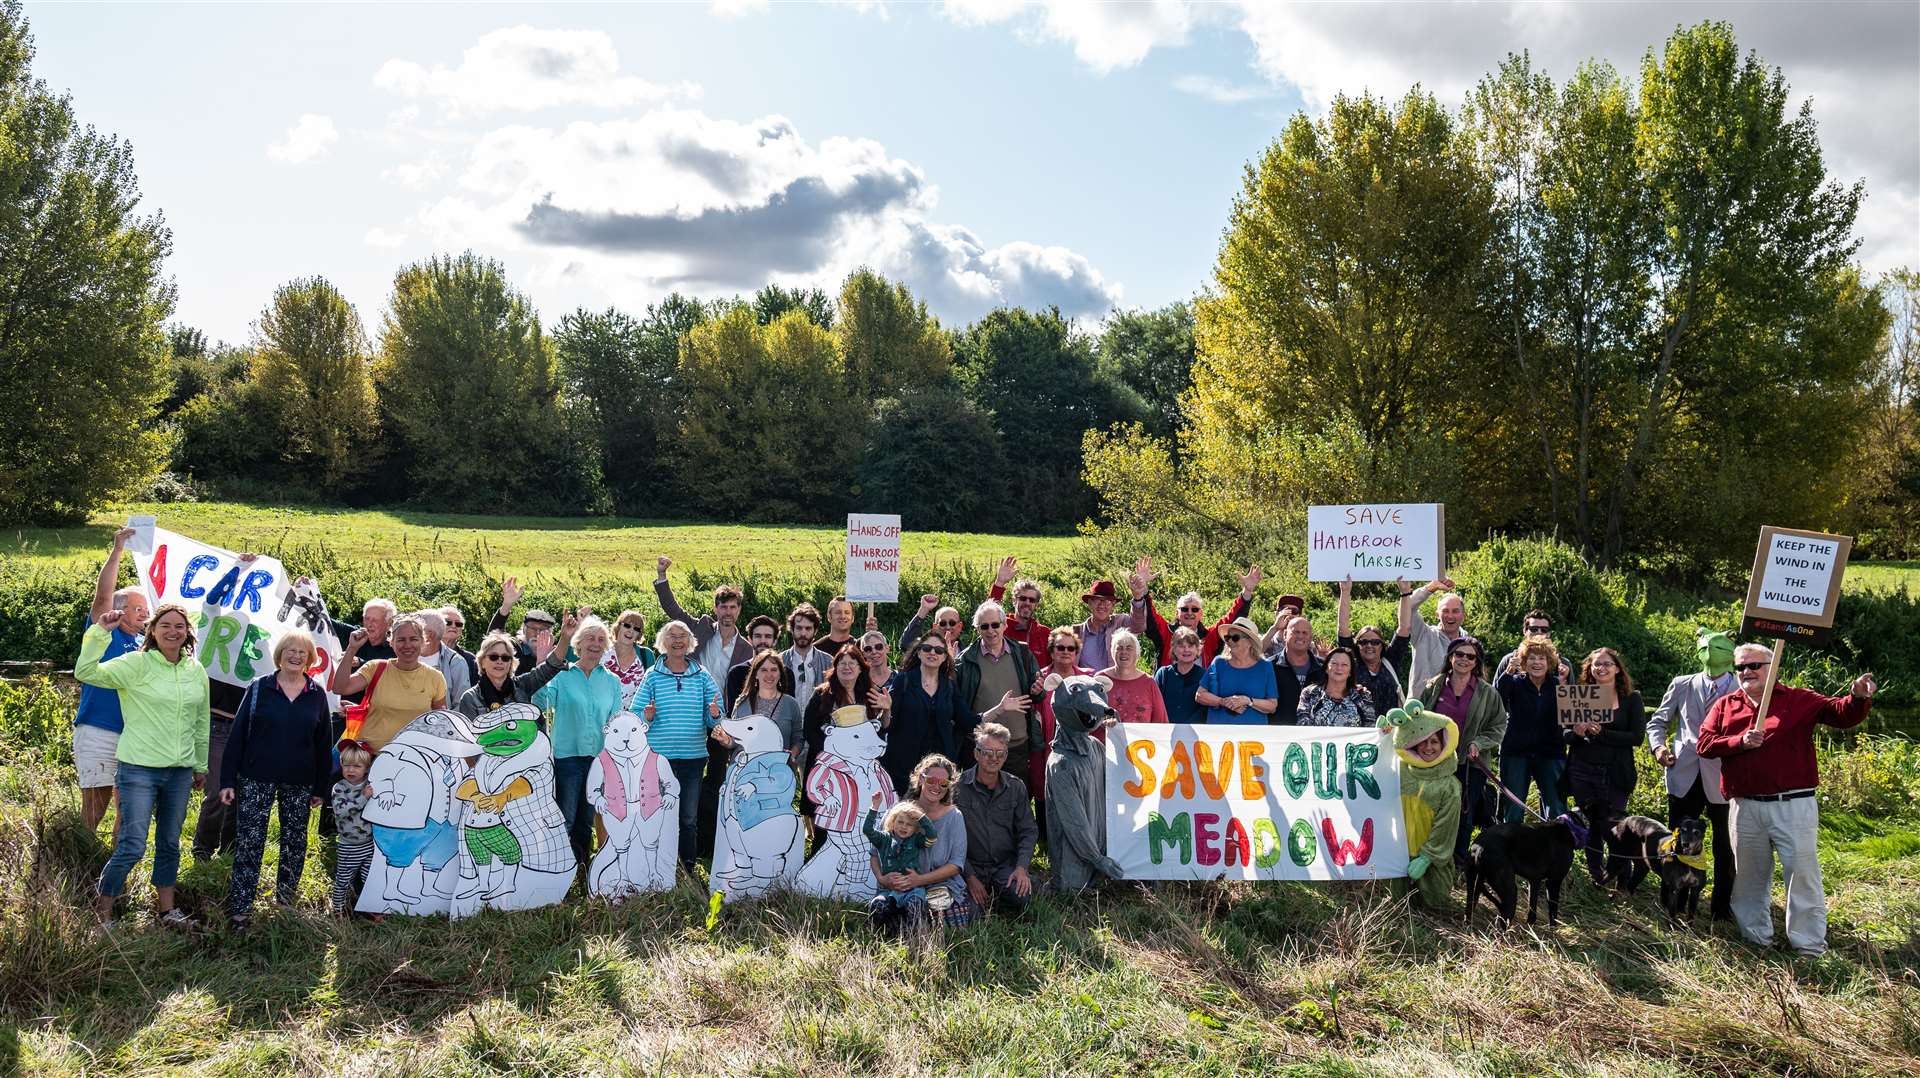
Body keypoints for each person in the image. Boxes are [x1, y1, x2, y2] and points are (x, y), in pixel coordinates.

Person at [1697, 644, 1875, 957]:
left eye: (1754, 665)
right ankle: (1756, 941)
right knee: (1749, 878)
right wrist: (1740, 742)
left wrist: (1859, 697)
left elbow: (1841, 714)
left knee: (1802, 874)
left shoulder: (1799, 699)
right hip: (1745, 807)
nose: (1746, 672)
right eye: (1740, 667)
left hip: (1793, 805)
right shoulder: (1726, 705)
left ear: (1773, 665)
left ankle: (1808, 946)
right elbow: (1705, 743)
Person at [77, 603, 209, 929]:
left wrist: (200, 765)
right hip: (139, 770)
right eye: (165, 625)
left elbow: (201, 721)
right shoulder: (135, 664)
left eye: (179, 626)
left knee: (169, 843)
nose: (173, 631)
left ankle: (167, 913)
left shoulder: (196, 671)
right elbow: (86, 672)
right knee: (132, 845)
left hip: (179, 772)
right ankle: (103, 912)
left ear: (187, 633)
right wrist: (99, 633)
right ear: (152, 631)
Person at [220, 629, 332, 929]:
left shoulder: (316, 694)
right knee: (250, 843)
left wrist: (321, 787)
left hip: (300, 781)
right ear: (279, 655)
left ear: (309, 659)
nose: (295, 656)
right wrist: (228, 780)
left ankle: (284, 905)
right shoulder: (259, 688)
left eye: (302, 653)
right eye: (289, 651)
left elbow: (323, 745)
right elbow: (237, 737)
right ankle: (241, 910)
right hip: (256, 778)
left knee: (294, 843)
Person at [1647, 629, 1740, 921]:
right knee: (1677, 841)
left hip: (1724, 777)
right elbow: (1657, 722)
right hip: (1684, 773)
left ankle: (1721, 907)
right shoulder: (1682, 684)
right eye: (1705, 647)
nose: (1711, 652)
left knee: (1725, 845)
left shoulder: (1742, 688)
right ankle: (1673, 899)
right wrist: (1659, 748)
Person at [627, 620, 725, 870]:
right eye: (672, 636)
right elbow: (635, 716)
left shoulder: (702, 676)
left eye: (682, 636)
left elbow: (717, 716)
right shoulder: (652, 677)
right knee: (658, 815)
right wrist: (646, 716)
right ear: (663, 642)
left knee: (688, 818)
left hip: (693, 758)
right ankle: (658, 866)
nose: (678, 640)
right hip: (659, 760)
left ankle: (687, 867)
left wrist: (714, 714)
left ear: (690, 642)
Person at [75, 526, 150, 833]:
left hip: (135, 736)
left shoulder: (149, 644)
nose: (145, 613)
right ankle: (80, 871)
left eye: (147, 608)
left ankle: (114, 878)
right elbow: (103, 594)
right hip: (98, 730)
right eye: (137, 608)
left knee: (128, 809)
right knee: (95, 808)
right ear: (119, 611)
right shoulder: (105, 632)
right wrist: (119, 549)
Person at [534, 616, 626, 863]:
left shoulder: (612, 681)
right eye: (589, 638)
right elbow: (540, 702)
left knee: (586, 822)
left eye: (600, 639)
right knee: (565, 818)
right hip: (567, 757)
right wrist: (542, 664)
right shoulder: (562, 676)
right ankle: (557, 871)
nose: (595, 644)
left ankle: (582, 869)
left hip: (598, 760)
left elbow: (615, 721)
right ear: (579, 643)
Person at [1417, 636, 1505, 867]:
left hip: (1470, 763)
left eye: (1470, 656)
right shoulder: (1433, 685)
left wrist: (1480, 742)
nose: (1464, 659)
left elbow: (1498, 726)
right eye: (1459, 654)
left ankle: (1456, 861)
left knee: (1463, 815)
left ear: (1477, 662)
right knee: (1432, 810)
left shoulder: (1488, 693)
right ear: (1450, 657)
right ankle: (1429, 858)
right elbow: (1419, 720)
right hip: (1435, 762)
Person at [1563, 647, 1644, 881]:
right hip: (1582, 770)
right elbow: (1566, 735)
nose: (1602, 668)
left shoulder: (1631, 699)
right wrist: (1577, 732)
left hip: (1615, 773)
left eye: (1607, 664)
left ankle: (1622, 878)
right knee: (1593, 827)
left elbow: (1636, 738)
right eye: (1596, 664)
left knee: (1616, 827)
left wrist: (1603, 734)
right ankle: (1597, 876)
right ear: (1589, 668)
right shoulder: (1579, 695)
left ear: (1617, 668)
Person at [872, 754, 973, 928]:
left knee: (945, 925)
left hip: (939, 885)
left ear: (949, 786)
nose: (937, 786)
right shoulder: (898, 812)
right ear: (920, 779)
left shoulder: (954, 817)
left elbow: (956, 865)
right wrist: (882, 879)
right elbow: (875, 854)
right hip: (899, 886)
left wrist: (919, 880)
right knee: (890, 919)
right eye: (931, 780)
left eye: (944, 783)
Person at [952, 723, 1038, 918]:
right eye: (988, 752)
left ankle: (1012, 887)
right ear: (976, 754)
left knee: (1022, 898)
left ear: (1006, 756)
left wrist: (1021, 868)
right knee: (970, 914)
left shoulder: (1016, 787)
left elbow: (1028, 830)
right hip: (970, 867)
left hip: (1004, 865)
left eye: (1000, 753)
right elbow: (950, 838)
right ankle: (982, 896)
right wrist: (970, 876)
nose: (994, 758)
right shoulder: (957, 788)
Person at [330, 614, 447, 751]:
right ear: (391, 642)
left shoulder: (435, 677)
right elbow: (339, 688)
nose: (407, 645)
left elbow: (440, 722)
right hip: (370, 760)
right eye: (401, 640)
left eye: (413, 639)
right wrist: (352, 648)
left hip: (413, 762)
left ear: (423, 641)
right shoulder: (375, 668)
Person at [954, 600, 1040, 775]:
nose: (990, 630)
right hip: (979, 747)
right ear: (977, 629)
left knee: (1015, 797)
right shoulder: (965, 661)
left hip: (1015, 744)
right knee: (976, 800)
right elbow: (958, 706)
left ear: (1005, 625)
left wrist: (1038, 690)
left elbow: (1036, 694)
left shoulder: (1022, 653)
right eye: (984, 626)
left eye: (995, 625)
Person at [879, 634, 967, 797]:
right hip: (904, 769)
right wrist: (886, 710)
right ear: (918, 653)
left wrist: (1000, 708)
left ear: (944, 657)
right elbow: (887, 725)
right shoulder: (903, 680)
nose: (932, 653)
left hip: (939, 770)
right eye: (927, 648)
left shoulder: (949, 685)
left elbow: (967, 720)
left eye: (939, 650)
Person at [1495, 635, 1567, 823]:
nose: (1537, 662)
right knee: (1513, 808)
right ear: (1524, 662)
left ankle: (1555, 851)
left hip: (1551, 752)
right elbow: (1496, 702)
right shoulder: (1515, 681)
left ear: (1549, 661)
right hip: (1516, 752)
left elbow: (1570, 716)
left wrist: (1566, 684)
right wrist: (1508, 673)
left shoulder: (1558, 684)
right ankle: (1510, 849)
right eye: (1532, 658)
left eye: (1541, 658)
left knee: (1556, 807)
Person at [654, 556, 752, 689]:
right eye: (723, 607)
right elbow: (673, 610)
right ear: (715, 609)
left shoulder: (746, 649)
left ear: (739, 610)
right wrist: (661, 574)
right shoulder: (701, 628)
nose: (728, 612)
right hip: (693, 702)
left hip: (724, 707)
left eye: (732, 607)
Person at [1031, 627, 1094, 826]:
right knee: (1044, 786)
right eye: (1060, 647)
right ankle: (1045, 835)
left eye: (1070, 648)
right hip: (1047, 745)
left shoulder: (1088, 678)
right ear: (1051, 651)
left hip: (1079, 748)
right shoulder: (1040, 679)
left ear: (1076, 652)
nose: (1065, 652)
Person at [1142, 564, 1260, 668]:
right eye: (1184, 609)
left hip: (1202, 692)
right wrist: (1143, 589)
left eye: (1194, 609)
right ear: (1177, 613)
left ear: (1201, 614)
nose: (1189, 613)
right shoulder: (1166, 633)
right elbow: (1149, 617)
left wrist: (1247, 592)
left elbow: (1232, 620)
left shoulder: (1210, 637)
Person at [863, 793, 940, 933]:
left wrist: (920, 816)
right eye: (900, 822)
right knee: (878, 904)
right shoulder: (884, 839)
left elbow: (932, 836)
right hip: (888, 890)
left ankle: (913, 936)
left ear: (916, 828)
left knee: (915, 905)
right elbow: (867, 830)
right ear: (892, 822)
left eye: (909, 825)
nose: (904, 827)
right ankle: (874, 934)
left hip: (912, 890)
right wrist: (874, 807)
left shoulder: (916, 840)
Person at [458, 629, 566, 720]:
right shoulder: (470, 698)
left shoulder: (522, 685)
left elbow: (551, 666)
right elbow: (470, 741)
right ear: (482, 662)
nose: (499, 661)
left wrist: (566, 637)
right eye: (493, 657)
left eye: (505, 658)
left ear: (511, 663)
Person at [1072, 557, 1156, 671]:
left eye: (1107, 601)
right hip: (1086, 687)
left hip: (1116, 686)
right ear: (1090, 603)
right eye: (1097, 600)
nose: (1102, 605)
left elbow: (1139, 626)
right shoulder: (1076, 632)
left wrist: (1137, 597)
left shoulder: (1121, 622)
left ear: (1113, 605)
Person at [1194, 618, 1279, 724]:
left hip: (1254, 737)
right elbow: (1200, 695)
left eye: (1235, 638)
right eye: (1227, 637)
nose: (1229, 641)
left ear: (1249, 643)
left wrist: (1248, 701)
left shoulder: (1265, 666)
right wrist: (1224, 702)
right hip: (1219, 735)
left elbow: (1272, 706)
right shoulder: (1219, 663)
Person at [1335, 577, 1402, 710]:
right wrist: (1345, 591)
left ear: (1382, 645)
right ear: (1357, 645)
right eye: (1364, 642)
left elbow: (1404, 628)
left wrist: (1405, 592)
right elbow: (1343, 628)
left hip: (1389, 728)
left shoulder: (1390, 661)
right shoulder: (1352, 662)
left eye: (1375, 642)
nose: (1369, 646)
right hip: (1359, 729)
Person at [1396, 577, 1467, 690]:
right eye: (1445, 611)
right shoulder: (1423, 634)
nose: (1450, 616)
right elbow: (1408, 607)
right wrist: (1430, 588)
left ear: (1464, 615)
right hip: (1420, 706)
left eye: (1455, 611)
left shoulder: (1470, 645)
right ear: (1437, 615)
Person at [731, 649, 803, 761]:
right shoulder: (742, 703)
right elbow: (733, 741)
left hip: (778, 771)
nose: (769, 675)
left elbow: (798, 738)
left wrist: (792, 755)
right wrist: (724, 739)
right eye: (763, 670)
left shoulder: (791, 704)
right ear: (755, 674)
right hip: (745, 772)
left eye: (774, 670)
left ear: (780, 673)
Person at [330, 743, 376, 917]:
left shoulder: (370, 785)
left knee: (369, 879)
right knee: (343, 879)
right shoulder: (339, 788)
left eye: (357, 766)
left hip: (369, 843)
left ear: (366, 768)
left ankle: (368, 908)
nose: (351, 770)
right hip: (349, 845)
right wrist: (363, 798)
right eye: (346, 765)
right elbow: (341, 811)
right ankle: (338, 910)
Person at [482, 576, 554, 674]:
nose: (537, 633)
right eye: (533, 628)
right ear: (524, 630)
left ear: (550, 633)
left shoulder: (555, 655)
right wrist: (506, 606)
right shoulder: (515, 649)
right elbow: (493, 638)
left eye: (542, 629)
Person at [986, 557, 1051, 663]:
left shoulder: (1045, 634)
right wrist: (1000, 582)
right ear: (1014, 600)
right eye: (1023, 598)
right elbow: (987, 614)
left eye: (1032, 600)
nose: (1027, 603)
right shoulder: (1002, 626)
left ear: (1037, 605)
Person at [1296, 645, 1376, 727]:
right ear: (1326, 668)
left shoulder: (1363, 696)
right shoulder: (1309, 693)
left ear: (1350, 672)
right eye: (1334, 663)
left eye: (1344, 665)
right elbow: (1303, 726)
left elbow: (1370, 728)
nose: (1339, 668)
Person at [1099, 629, 1167, 725]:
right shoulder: (1100, 679)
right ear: (1112, 652)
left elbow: (1161, 722)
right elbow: (1089, 716)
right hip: (1105, 739)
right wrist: (1104, 722)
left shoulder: (1149, 683)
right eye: (1119, 648)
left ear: (1137, 654)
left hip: (1141, 740)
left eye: (1129, 648)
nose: (1124, 652)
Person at [1268, 616, 1325, 725]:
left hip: (1315, 736)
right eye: (1296, 632)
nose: (1300, 636)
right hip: (1278, 736)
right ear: (1285, 635)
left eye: (1305, 633)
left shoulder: (1324, 668)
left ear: (1310, 637)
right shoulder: (1269, 667)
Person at [1492, 609, 1573, 683]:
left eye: (1544, 630)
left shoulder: (1563, 664)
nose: (1539, 632)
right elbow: (1495, 696)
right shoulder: (1508, 660)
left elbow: (1571, 698)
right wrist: (1508, 673)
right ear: (1525, 631)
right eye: (1534, 629)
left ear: (1549, 633)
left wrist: (1563, 683)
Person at [413, 609, 472, 709]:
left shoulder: (456, 662)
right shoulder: (404, 655)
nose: (410, 634)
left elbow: (462, 705)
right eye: (448, 622)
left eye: (416, 630)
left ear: (429, 635)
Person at [782, 603, 833, 715]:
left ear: (815, 631)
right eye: (799, 628)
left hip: (817, 726)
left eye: (808, 628)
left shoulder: (829, 662)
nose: (803, 633)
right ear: (792, 629)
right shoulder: (779, 661)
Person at [1154, 626, 1208, 725]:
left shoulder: (1205, 676)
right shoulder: (1163, 674)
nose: (1186, 650)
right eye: (1181, 646)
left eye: (1190, 646)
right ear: (1173, 649)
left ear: (1197, 649)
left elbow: (1206, 710)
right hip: (1165, 734)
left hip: (1197, 736)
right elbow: (1154, 706)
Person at [604, 609, 656, 711]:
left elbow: (652, 691)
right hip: (600, 718)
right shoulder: (602, 649)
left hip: (633, 720)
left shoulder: (646, 655)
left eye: (636, 629)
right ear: (619, 626)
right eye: (627, 625)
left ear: (639, 635)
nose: (631, 630)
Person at [439, 605, 479, 686]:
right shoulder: (424, 655)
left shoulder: (470, 660)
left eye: (458, 624)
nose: (453, 626)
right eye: (448, 622)